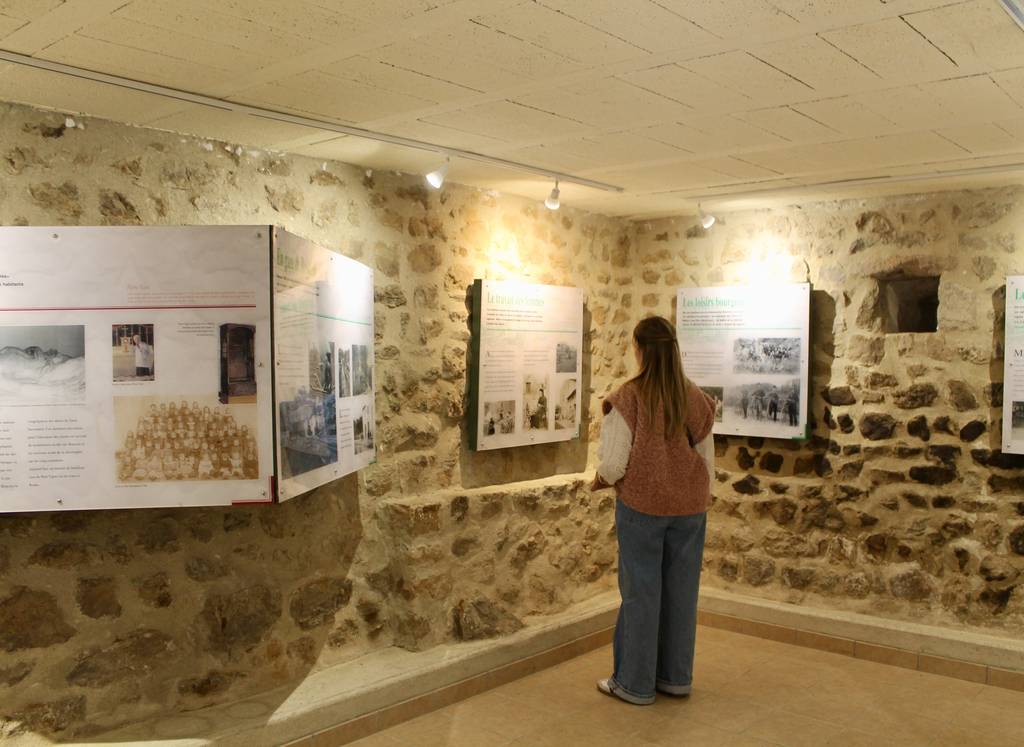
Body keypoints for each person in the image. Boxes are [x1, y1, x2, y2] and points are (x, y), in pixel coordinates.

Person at [591, 315, 716, 706]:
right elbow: (707, 459)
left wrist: (600, 478)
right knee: (681, 593)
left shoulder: (628, 397)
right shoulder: (694, 396)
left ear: (639, 349)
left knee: (641, 595)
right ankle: (675, 678)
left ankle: (634, 683)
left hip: (642, 507)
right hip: (690, 508)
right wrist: (698, 495)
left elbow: (615, 464)